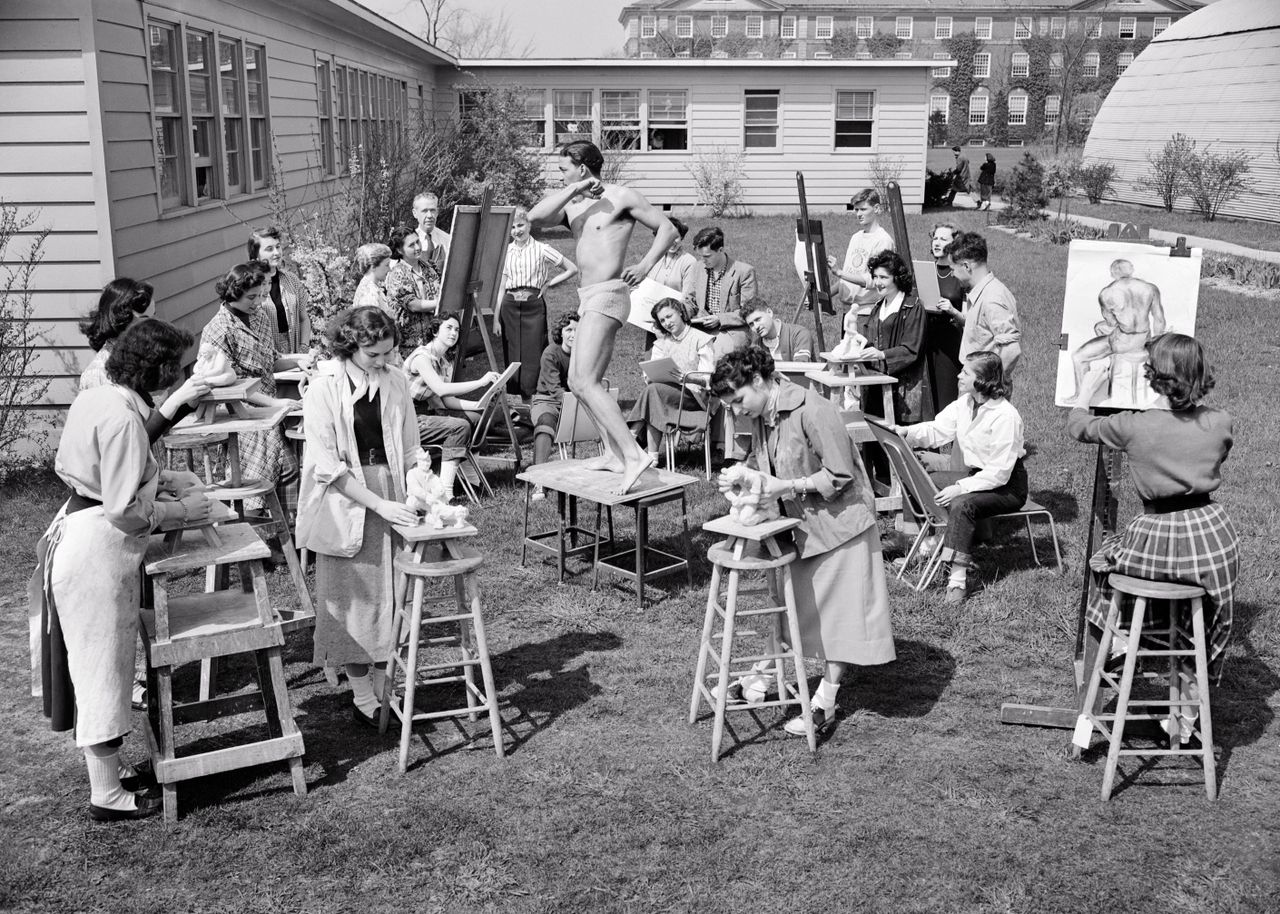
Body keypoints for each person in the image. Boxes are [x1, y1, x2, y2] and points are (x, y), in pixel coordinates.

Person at [31, 319, 213, 821]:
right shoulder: (124, 419)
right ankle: (106, 796)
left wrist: (166, 477)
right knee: (103, 671)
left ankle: (109, 780)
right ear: (153, 369)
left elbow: (109, 473)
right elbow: (122, 508)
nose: (178, 377)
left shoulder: (101, 394)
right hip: (96, 548)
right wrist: (180, 513)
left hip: (78, 529)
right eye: (174, 369)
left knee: (102, 666)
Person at [711, 347, 894, 734]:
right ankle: (762, 678)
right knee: (790, 607)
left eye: (739, 400)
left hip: (842, 526)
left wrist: (786, 486)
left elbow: (840, 476)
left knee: (837, 618)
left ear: (759, 381)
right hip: (804, 526)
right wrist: (746, 475)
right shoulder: (763, 413)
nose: (737, 411)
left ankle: (825, 701)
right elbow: (771, 465)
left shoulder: (815, 410)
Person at [1068, 334, 1238, 741]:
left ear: (1153, 376)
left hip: (1157, 534)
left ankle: (1123, 637)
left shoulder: (1133, 425)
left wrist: (1086, 391)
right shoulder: (1220, 422)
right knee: (1193, 610)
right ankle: (1186, 721)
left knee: (1102, 564)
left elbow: (1077, 427)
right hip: (1212, 535)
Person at [296, 307, 421, 728]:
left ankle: (387, 686)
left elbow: (409, 447)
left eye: (389, 353)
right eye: (374, 355)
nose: (383, 362)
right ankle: (362, 693)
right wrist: (378, 504)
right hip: (346, 499)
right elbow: (326, 466)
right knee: (353, 595)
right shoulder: (323, 387)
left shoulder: (396, 380)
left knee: (393, 590)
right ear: (351, 347)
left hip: (392, 491)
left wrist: (419, 491)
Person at [528, 140, 677, 495]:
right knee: (581, 383)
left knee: (584, 380)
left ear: (582, 166)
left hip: (609, 293)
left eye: (564, 169)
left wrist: (643, 265)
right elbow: (534, 216)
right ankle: (612, 452)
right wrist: (575, 188)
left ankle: (633, 454)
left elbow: (667, 229)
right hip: (588, 297)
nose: (560, 176)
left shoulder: (621, 196)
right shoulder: (575, 204)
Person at [893, 352, 1027, 604]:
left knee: (961, 504)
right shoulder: (965, 404)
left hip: (1007, 487)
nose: (958, 374)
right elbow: (936, 429)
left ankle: (957, 580)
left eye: (965, 372)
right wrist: (905, 432)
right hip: (976, 477)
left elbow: (999, 472)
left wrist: (960, 487)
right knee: (921, 478)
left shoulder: (1006, 416)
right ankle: (934, 541)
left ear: (982, 379)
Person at [198, 262, 308, 510]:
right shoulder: (218, 329)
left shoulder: (258, 317)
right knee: (253, 485)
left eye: (262, 295)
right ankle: (257, 532)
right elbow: (226, 386)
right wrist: (274, 403)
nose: (258, 301)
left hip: (269, 411)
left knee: (289, 470)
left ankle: (286, 533)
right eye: (252, 296)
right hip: (241, 417)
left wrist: (301, 363)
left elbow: (271, 360)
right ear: (232, 292)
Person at [402, 312, 500, 500]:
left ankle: (472, 482)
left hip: (424, 414)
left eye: (456, 329)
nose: (453, 333)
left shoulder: (444, 362)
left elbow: (448, 401)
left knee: (476, 419)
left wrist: (480, 405)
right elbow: (440, 389)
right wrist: (480, 382)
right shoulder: (422, 357)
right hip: (408, 418)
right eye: (448, 328)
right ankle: (446, 492)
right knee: (459, 427)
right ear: (435, 331)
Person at [493, 206, 578, 399]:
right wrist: (496, 319)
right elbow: (501, 286)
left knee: (535, 352)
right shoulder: (506, 251)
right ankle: (517, 398)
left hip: (533, 306)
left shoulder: (542, 249)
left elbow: (571, 268)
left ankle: (538, 396)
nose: (517, 231)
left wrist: (549, 283)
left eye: (521, 225)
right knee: (512, 351)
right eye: (513, 227)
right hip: (510, 306)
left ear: (529, 225)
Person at [1066, 259, 1166, 406]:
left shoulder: (1107, 293)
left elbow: (1112, 323)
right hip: (1145, 339)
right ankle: (1113, 366)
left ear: (1112, 273)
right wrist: (1156, 344)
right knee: (1100, 328)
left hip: (1123, 342)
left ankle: (1080, 396)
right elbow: (1159, 320)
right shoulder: (1150, 288)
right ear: (1131, 270)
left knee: (1079, 357)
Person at [628, 297, 716, 461]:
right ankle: (651, 456)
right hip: (665, 397)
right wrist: (651, 376)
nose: (667, 323)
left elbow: (708, 378)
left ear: (681, 313)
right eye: (662, 320)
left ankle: (633, 434)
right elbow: (650, 373)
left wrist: (688, 378)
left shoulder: (701, 339)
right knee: (654, 392)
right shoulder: (661, 343)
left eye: (669, 316)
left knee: (653, 392)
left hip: (694, 399)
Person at [945, 231, 1022, 388]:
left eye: (952, 269)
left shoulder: (992, 298)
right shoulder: (982, 293)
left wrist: (988, 387)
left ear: (966, 266)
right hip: (973, 383)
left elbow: (1012, 350)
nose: (951, 275)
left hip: (982, 390)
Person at [858, 250, 926, 425]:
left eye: (883, 277)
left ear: (896, 278)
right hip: (875, 386)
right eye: (875, 277)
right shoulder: (878, 307)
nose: (878, 283)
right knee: (873, 437)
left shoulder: (912, 307)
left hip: (902, 390)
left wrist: (882, 355)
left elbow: (911, 349)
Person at [529, 312, 579, 499]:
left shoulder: (583, 352)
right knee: (546, 423)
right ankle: (538, 480)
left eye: (577, 330)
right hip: (547, 401)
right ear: (561, 333)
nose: (573, 334)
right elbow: (555, 389)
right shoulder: (551, 353)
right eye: (569, 330)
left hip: (576, 399)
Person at [828, 188, 894, 327]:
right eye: (856, 210)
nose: (858, 214)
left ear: (876, 209)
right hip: (849, 313)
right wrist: (825, 295)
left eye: (863, 209)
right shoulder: (856, 237)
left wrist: (839, 272)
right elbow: (846, 278)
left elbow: (874, 280)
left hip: (867, 314)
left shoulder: (883, 241)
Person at [78, 278, 155, 392]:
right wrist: (174, 402)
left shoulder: (144, 358)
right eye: (145, 319)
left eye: (154, 317)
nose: (155, 326)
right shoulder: (98, 374)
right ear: (121, 319)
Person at [691, 226, 755, 356]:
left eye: (707, 256)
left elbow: (749, 311)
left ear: (721, 250)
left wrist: (720, 319)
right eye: (701, 256)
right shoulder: (698, 267)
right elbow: (690, 299)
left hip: (731, 329)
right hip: (701, 328)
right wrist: (677, 312)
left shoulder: (744, 272)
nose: (703, 260)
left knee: (716, 354)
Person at [922, 223, 966, 417]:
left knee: (946, 398)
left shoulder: (960, 274)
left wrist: (952, 310)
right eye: (935, 238)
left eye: (943, 239)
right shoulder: (923, 270)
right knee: (926, 398)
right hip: (925, 340)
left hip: (949, 343)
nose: (937, 243)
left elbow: (968, 319)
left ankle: (951, 442)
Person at [249, 226, 313, 355]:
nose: (276, 253)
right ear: (256, 255)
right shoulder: (250, 286)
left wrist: (304, 348)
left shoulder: (292, 280)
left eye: (278, 247)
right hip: (265, 358)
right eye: (269, 249)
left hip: (296, 354)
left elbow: (303, 319)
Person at [385, 224, 440, 357]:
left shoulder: (429, 267)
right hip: (410, 345)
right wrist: (441, 302)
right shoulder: (397, 274)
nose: (417, 247)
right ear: (399, 250)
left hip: (433, 339)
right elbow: (413, 305)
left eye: (417, 242)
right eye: (411, 245)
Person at [647, 216, 698, 307]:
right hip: (649, 306)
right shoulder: (653, 256)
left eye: (675, 237)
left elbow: (687, 297)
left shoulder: (689, 261)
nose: (671, 241)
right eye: (667, 237)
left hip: (675, 310)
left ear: (681, 237)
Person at [741, 300, 814, 362]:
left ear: (769, 312)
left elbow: (800, 368)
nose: (756, 326)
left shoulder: (800, 334)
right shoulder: (756, 346)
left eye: (758, 319)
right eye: (751, 324)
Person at [413, 191, 450, 276]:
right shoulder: (408, 242)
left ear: (437, 212)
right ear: (415, 213)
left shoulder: (447, 240)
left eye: (432, 210)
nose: (429, 215)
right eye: (424, 211)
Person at [351, 243, 394, 316]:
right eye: (387, 265)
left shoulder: (371, 287)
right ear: (373, 266)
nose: (389, 269)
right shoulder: (369, 294)